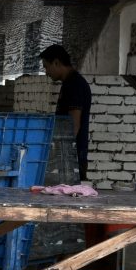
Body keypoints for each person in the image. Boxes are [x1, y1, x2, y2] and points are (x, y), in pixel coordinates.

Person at [41, 44, 91, 181]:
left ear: (56, 62)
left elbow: (73, 124)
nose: (46, 72)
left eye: (46, 66)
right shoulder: (69, 83)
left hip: (71, 158)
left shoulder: (75, 85)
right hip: (68, 155)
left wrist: (63, 156)